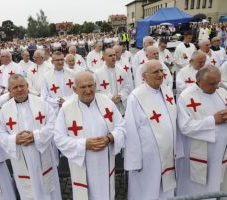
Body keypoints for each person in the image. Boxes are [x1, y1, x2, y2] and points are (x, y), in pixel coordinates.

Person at [54, 71, 125, 200]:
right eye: (83, 87)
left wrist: (109, 138)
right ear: (74, 89)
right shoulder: (66, 108)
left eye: (90, 85)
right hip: (82, 162)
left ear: (95, 85)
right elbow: (59, 139)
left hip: (105, 160)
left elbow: (122, 127)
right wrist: (84, 144)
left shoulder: (107, 102)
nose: (88, 90)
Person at [0, 74, 62, 200]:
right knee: (29, 191)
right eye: (15, 87)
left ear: (27, 86)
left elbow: (54, 124)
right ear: (9, 90)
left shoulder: (42, 103)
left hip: (42, 151)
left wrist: (36, 136)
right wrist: (14, 139)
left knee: (48, 189)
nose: (19, 89)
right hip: (21, 154)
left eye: (22, 86)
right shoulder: (4, 110)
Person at [124, 59, 177, 200]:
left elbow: (173, 120)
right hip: (147, 157)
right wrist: (135, 160)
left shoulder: (167, 91)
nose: (160, 74)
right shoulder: (136, 97)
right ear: (144, 76)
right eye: (155, 72)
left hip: (168, 152)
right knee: (147, 190)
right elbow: (131, 129)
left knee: (166, 189)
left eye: (162, 71)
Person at [177, 65, 227, 196]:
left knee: (218, 183)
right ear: (199, 81)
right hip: (200, 152)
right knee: (197, 188)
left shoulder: (222, 92)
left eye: (218, 82)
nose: (216, 87)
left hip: (221, 150)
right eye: (212, 84)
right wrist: (213, 120)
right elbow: (185, 127)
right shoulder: (186, 97)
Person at [94, 48, 133, 115]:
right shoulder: (97, 74)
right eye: (110, 55)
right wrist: (110, 97)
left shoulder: (122, 71)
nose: (113, 57)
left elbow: (127, 86)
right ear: (104, 57)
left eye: (114, 55)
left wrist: (121, 96)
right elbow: (96, 91)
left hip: (120, 105)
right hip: (106, 106)